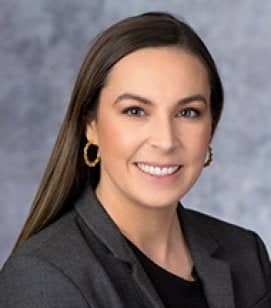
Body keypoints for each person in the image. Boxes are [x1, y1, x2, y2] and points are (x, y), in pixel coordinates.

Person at [0, 11, 270, 308]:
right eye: (135, 111)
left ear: (212, 125)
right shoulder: (43, 277)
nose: (165, 141)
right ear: (90, 125)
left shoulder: (246, 253)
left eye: (188, 112)